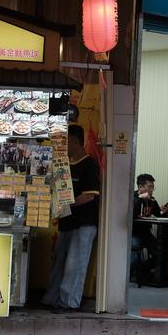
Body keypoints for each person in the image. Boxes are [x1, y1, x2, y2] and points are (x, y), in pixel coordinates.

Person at [42, 125, 100, 313]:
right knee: (59, 262)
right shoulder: (63, 164)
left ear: (75, 142)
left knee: (75, 265)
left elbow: (90, 195)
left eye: (65, 142)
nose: (61, 147)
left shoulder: (89, 165)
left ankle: (69, 302)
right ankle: (52, 298)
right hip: (66, 222)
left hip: (84, 224)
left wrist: (66, 204)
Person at [131, 174, 168, 282]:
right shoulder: (132, 198)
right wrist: (140, 199)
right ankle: (133, 271)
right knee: (134, 251)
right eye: (149, 187)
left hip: (145, 233)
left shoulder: (151, 200)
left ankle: (141, 270)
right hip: (133, 233)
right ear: (140, 187)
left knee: (160, 252)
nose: (151, 190)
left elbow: (158, 215)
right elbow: (132, 215)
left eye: (152, 187)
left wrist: (164, 211)